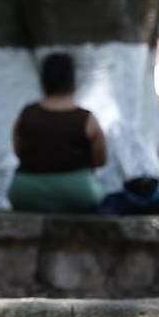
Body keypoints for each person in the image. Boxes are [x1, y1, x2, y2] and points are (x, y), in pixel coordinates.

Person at [8, 52, 107, 212]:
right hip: (78, 191)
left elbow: (18, 150)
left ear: (43, 81)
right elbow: (100, 160)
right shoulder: (86, 119)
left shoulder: (26, 114)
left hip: (25, 191)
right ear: (73, 81)